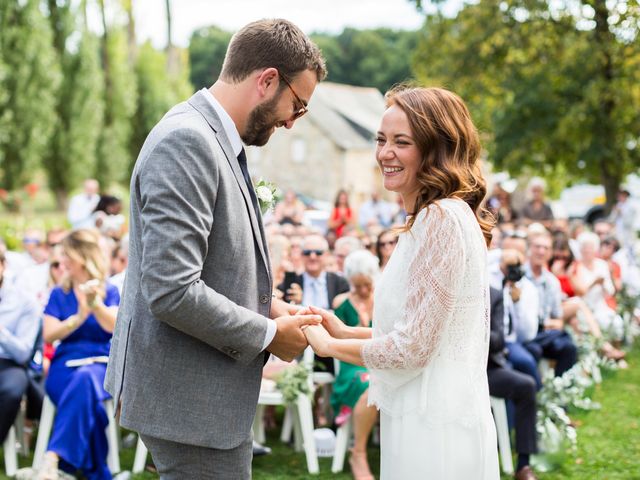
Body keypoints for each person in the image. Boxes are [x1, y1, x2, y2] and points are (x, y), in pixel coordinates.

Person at [105, 19, 326, 479]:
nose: (291, 121)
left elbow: (214, 264)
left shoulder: (216, 140)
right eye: (298, 105)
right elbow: (172, 290)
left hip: (200, 396)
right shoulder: (188, 141)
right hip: (189, 402)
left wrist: (273, 306)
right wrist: (269, 334)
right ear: (267, 80)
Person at [303, 86, 499, 478]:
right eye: (381, 139)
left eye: (401, 142)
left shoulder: (441, 219)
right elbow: (418, 330)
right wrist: (347, 330)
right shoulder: (435, 217)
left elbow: (413, 349)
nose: (384, 154)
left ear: (434, 149)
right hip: (424, 407)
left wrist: (329, 346)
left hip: (432, 423)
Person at [35, 229, 120, 480]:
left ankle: (53, 459)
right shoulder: (59, 294)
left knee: (86, 379)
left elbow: (113, 326)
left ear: (81, 257)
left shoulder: (108, 290)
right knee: (86, 394)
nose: (62, 262)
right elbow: (49, 335)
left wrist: (95, 305)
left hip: (100, 364)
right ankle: (95, 470)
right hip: (65, 365)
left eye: (66, 256)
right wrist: (78, 317)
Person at [329, 250, 379, 480]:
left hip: (379, 361)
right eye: (357, 285)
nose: (363, 290)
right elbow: (336, 342)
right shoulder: (342, 302)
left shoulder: (382, 300)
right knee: (370, 384)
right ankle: (358, 452)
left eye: (366, 284)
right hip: (352, 364)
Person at [488, 287, 539, 480]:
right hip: (455, 372)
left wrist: (477, 327)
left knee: (526, 385)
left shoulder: (493, 295)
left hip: (487, 370)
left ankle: (523, 465)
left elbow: (499, 340)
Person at [0, 251, 43, 446]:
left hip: (9, 362)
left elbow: (23, 352)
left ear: (3, 266)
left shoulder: (24, 301)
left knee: (11, 389)